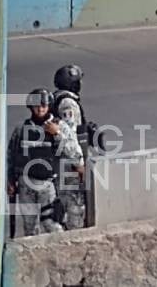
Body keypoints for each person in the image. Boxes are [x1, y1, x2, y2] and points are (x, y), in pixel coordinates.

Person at [7, 88, 83, 237]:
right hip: (25, 184)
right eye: (37, 106)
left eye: (44, 105)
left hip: (48, 185)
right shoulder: (21, 129)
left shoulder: (60, 126)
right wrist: (10, 181)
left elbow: (74, 153)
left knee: (52, 225)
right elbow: (11, 156)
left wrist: (57, 134)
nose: (40, 109)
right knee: (30, 228)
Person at [52, 64, 98, 229]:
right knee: (74, 206)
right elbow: (69, 136)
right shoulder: (67, 103)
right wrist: (78, 163)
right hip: (69, 163)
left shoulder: (58, 98)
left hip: (64, 160)